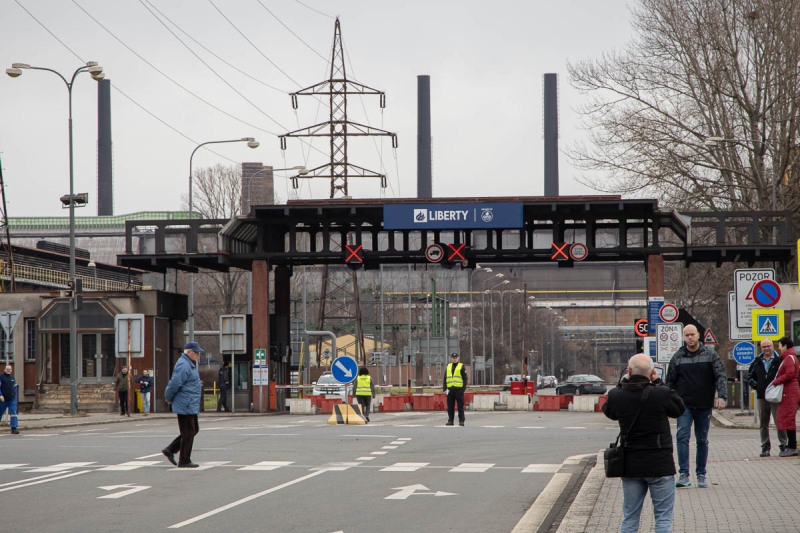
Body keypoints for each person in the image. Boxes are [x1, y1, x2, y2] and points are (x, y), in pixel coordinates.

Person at [603, 354, 685, 533]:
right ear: (652, 372)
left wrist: (622, 382)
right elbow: (679, 409)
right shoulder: (662, 393)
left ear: (629, 371)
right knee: (663, 518)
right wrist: (659, 382)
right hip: (660, 464)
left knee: (630, 517)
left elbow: (609, 411)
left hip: (631, 465)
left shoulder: (617, 395)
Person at [665, 324, 726, 489]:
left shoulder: (710, 355)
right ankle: (683, 473)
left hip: (704, 405)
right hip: (683, 406)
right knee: (682, 437)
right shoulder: (677, 357)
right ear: (683, 337)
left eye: (692, 334)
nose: (690, 337)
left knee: (702, 440)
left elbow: (720, 374)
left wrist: (722, 396)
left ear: (698, 335)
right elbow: (669, 382)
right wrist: (668, 405)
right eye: (687, 335)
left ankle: (701, 474)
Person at [162, 342, 203, 468]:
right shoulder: (184, 365)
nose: (198, 355)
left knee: (193, 430)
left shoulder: (189, 364)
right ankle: (184, 460)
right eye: (196, 352)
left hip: (189, 402)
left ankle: (170, 449)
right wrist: (168, 397)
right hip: (185, 403)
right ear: (189, 352)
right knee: (188, 431)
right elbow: (174, 383)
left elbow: (187, 381)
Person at [747, 339, 787, 456]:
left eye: (768, 346)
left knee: (779, 421)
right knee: (763, 422)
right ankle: (765, 446)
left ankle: (783, 445)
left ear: (772, 346)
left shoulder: (779, 360)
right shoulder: (757, 361)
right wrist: (758, 386)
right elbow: (750, 377)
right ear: (761, 348)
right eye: (764, 347)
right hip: (762, 396)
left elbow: (785, 375)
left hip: (776, 396)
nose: (766, 349)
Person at [773, 337, 799, 457]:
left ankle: (792, 446)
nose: (778, 347)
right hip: (789, 391)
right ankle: (790, 445)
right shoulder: (790, 357)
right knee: (786, 417)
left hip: (789, 391)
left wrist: (776, 381)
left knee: (789, 417)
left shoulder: (789, 358)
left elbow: (789, 374)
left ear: (784, 346)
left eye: (779, 345)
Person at [443, 352, 468, 426]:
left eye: (456, 357)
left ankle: (461, 421)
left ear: (458, 358)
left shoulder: (461, 366)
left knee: (460, 406)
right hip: (450, 389)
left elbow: (465, 378)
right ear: (451, 358)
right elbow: (445, 378)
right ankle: (450, 420)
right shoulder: (448, 366)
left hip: (458, 389)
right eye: (453, 358)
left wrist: (463, 389)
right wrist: (444, 388)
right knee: (450, 407)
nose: (454, 359)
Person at [0, 364, 19, 434]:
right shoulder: (1, 377)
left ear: (11, 370)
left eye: (10, 369)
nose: (8, 370)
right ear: (4, 369)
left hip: (12, 399)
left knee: (13, 413)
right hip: (3, 399)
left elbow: (15, 387)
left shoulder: (12, 378)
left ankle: (14, 428)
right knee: (0, 413)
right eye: (7, 369)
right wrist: (0, 395)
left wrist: (15, 396)